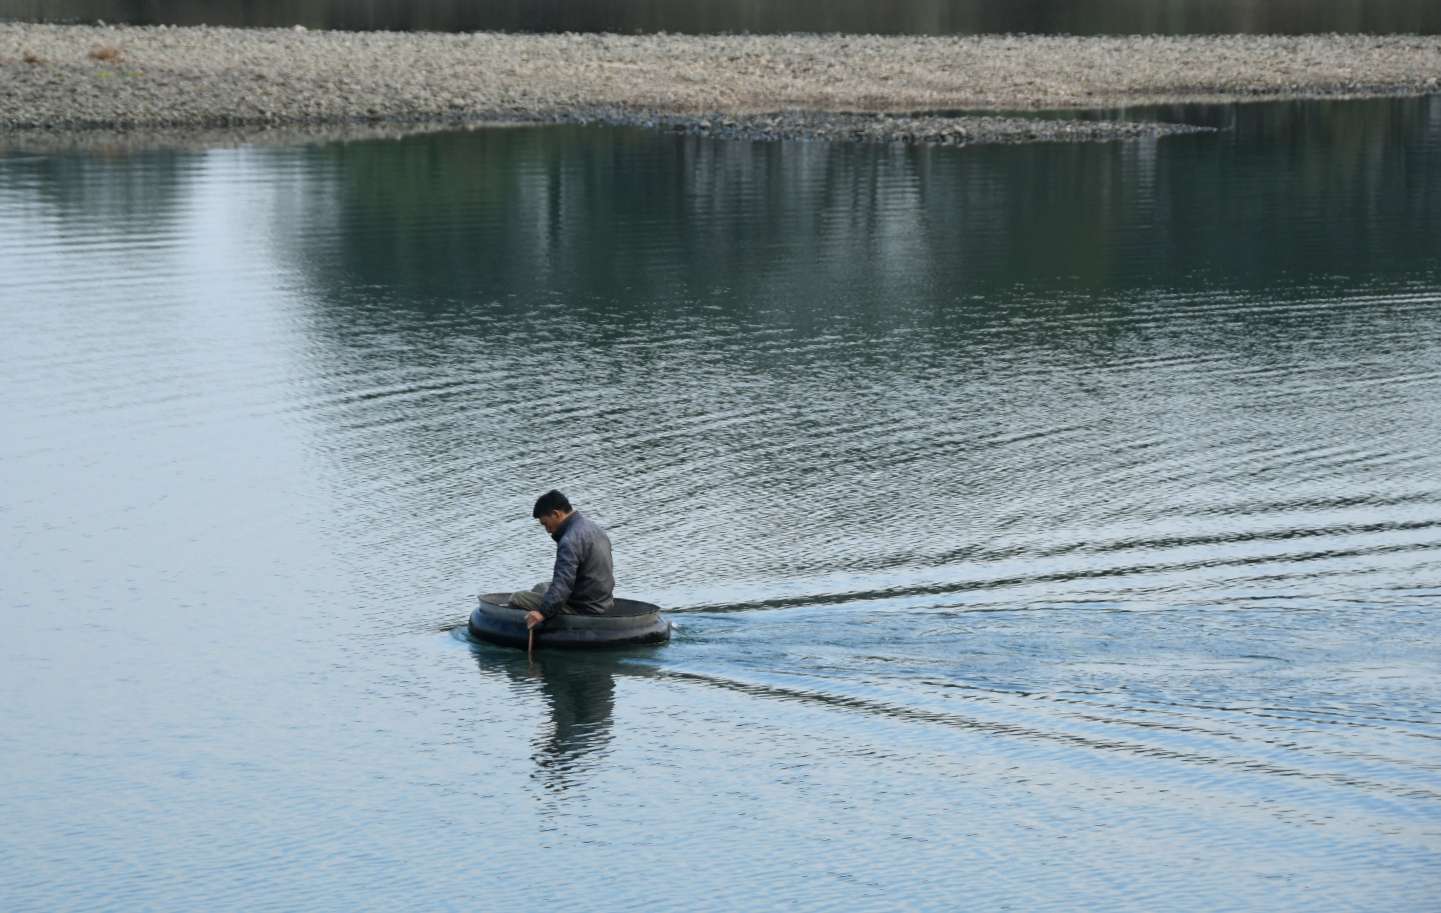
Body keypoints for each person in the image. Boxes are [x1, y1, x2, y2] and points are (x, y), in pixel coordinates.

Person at [509, 490, 615, 630]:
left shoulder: (569, 541)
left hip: (584, 608)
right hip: (603, 602)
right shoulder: (594, 529)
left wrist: (542, 613)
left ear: (556, 514)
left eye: (545, 523)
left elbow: (563, 585)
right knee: (541, 587)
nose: (547, 530)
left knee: (517, 598)